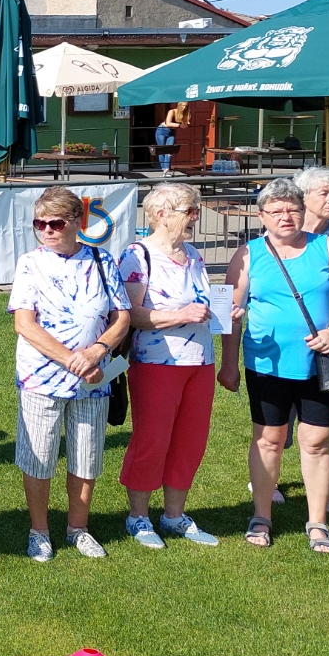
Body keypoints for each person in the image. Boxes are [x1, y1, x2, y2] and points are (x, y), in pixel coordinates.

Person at [221, 177, 329, 553]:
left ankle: (317, 522)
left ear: (303, 212)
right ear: (261, 216)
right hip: (266, 365)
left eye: (293, 209)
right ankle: (261, 516)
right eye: (277, 211)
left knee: (317, 442)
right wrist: (228, 364)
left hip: (319, 364)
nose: (286, 217)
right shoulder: (248, 254)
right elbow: (229, 314)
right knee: (268, 439)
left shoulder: (326, 247)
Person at [7, 186, 131, 562]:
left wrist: (97, 351)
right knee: (39, 457)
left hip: (93, 380)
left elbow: (122, 316)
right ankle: (39, 531)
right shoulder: (30, 263)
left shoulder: (101, 260)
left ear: (78, 222)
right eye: (39, 223)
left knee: (86, 457)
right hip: (41, 378)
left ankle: (79, 528)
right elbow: (24, 324)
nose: (46, 230)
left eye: (56, 223)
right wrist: (71, 359)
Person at [116, 183, 220, 548]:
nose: (196, 217)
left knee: (191, 440)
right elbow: (129, 314)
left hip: (201, 362)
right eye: (190, 210)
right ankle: (138, 517)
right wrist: (181, 315)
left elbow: (202, 303)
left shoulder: (193, 254)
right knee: (152, 439)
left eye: (196, 210)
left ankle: (174, 515)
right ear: (161, 214)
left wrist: (223, 312)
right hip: (157, 362)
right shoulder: (138, 255)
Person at [156, 102, 188, 175]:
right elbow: (168, 123)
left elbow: (185, 124)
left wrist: (185, 124)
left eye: (186, 106)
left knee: (170, 150)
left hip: (171, 131)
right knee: (161, 150)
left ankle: (167, 169)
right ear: (179, 105)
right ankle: (164, 169)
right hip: (162, 130)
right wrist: (179, 125)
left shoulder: (185, 114)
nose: (184, 108)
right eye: (183, 106)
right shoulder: (172, 111)